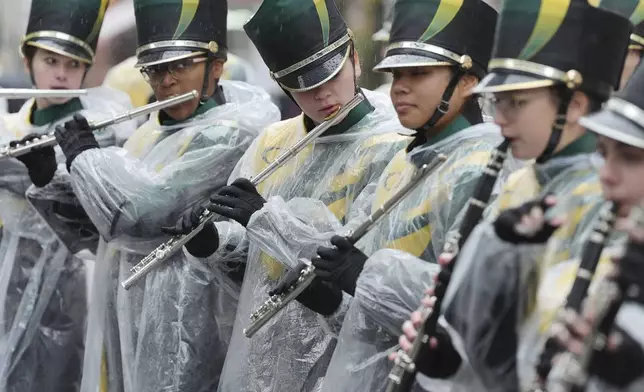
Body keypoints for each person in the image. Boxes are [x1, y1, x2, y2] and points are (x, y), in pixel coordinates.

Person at [168, 0, 410, 390]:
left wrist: (269, 220)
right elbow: (252, 270)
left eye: (331, 76)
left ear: (354, 57)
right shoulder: (272, 144)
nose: (324, 96)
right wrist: (212, 244)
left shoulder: (396, 145)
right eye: (305, 87)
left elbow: (365, 270)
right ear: (283, 86)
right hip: (260, 360)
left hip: (344, 364)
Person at [396, 0, 634, 390]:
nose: (500, 117)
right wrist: (451, 358)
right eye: (498, 101)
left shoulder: (612, 196)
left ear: (573, 106)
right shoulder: (523, 182)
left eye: (516, 102)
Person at [52, 1, 280, 391]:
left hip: (194, 320)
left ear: (216, 66)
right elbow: (101, 234)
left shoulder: (231, 132)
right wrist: (49, 181)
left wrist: (87, 159)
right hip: (132, 317)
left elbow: (144, 215)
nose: (167, 81)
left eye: (179, 66)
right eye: (155, 70)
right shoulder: (145, 135)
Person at [303, 1, 517, 391]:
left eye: (418, 73)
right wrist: (334, 298)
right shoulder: (405, 159)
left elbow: (469, 314)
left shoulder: (480, 168)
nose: (399, 87)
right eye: (396, 73)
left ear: (468, 81)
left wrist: (367, 274)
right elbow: (369, 313)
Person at [0, 0, 137, 390]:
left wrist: (53, 178)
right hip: (11, 283)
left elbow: (109, 216)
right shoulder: (7, 126)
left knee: (79, 373)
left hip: (85, 282)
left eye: (73, 65)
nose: (60, 75)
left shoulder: (105, 128)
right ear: (27, 60)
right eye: (50, 60)